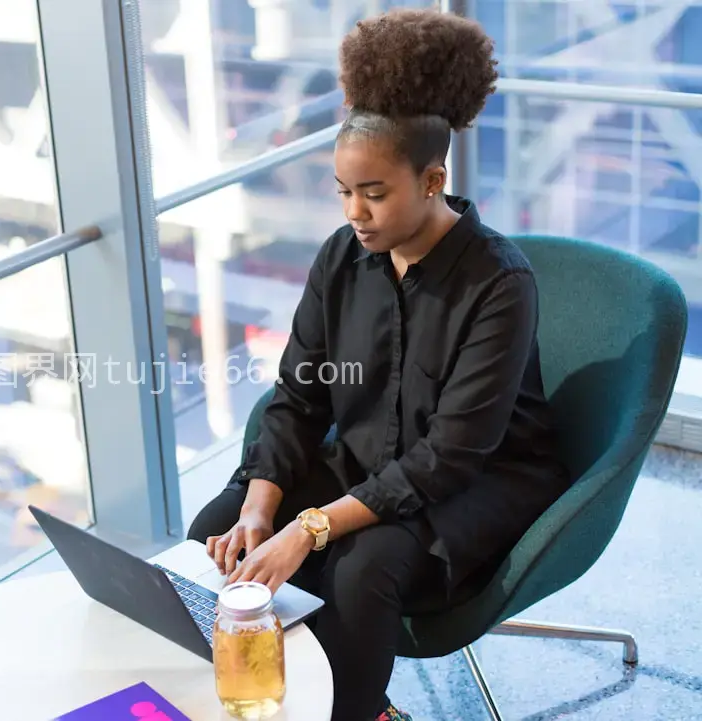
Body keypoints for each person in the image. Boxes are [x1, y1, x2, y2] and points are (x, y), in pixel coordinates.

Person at [186, 9, 573, 721]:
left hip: (480, 477)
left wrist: (309, 527)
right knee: (212, 533)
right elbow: (299, 395)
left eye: (374, 192)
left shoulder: (499, 283)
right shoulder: (342, 257)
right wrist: (259, 506)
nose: (354, 212)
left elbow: (451, 456)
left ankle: (360, 711)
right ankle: (271, 694)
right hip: (369, 461)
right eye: (342, 190)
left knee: (362, 568)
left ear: (432, 179)